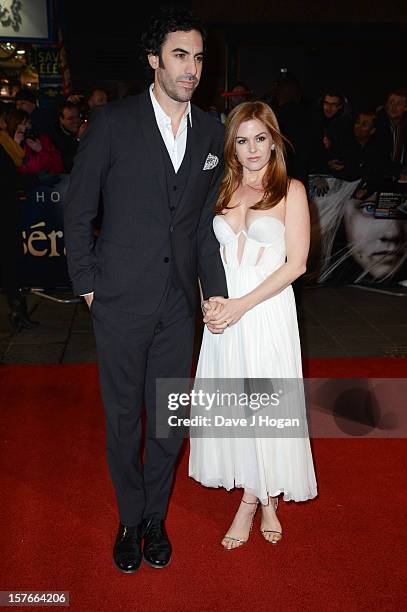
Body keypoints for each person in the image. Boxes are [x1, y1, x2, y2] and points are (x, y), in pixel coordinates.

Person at [63, 7, 227, 573]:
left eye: (199, 56)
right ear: (154, 60)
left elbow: (204, 226)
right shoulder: (111, 124)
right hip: (119, 302)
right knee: (122, 419)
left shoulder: (213, 131)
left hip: (181, 307)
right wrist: (87, 286)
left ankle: (155, 517)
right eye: (180, 55)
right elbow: (78, 209)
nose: (192, 68)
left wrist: (217, 293)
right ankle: (128, 518)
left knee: (167, 420)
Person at [189, 101, 317, 549]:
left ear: (274, 139)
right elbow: (206, 254)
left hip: (265, 310)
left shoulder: (292, 191)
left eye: (260, 138)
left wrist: (242, 304)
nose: (252, 149)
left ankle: (258, 500)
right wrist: (212, 302)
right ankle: (255, 491)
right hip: (227, 315)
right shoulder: (220, 190)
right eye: (242, 140)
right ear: (232, 147)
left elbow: (296, 264)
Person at [0, 102, 39, 330]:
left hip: (8, 211)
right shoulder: (3, 146)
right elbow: (8, 179)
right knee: (10, 262)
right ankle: (17, 311)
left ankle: (18, 310)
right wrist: (32, 180)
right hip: (5, 213)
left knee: (11, 262)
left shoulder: (7, 145)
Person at [6, 108, 63, 176]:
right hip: (23, 183)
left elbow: (58, 166)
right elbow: (10, 172)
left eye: (29, 123)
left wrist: (41, 150)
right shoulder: (7, 143)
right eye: (24, 124)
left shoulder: (41, 139)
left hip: (46, 180)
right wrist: (16, 147)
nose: (28, 126)